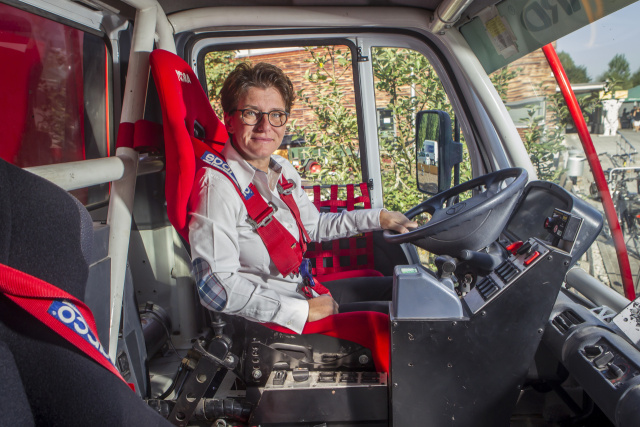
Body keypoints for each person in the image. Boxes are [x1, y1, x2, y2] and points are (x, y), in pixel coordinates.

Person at [188, 62, 417, 333]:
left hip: (301, 289)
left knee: (405, 290)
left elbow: (315, 226)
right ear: (229, 120)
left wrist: (379, 218)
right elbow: (214, 287)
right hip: (274, 323)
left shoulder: (281, 170)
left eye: (276, 115)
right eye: (251, 113)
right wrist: (302, 311)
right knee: (408, 321)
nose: (265, 126)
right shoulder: (217, 187)